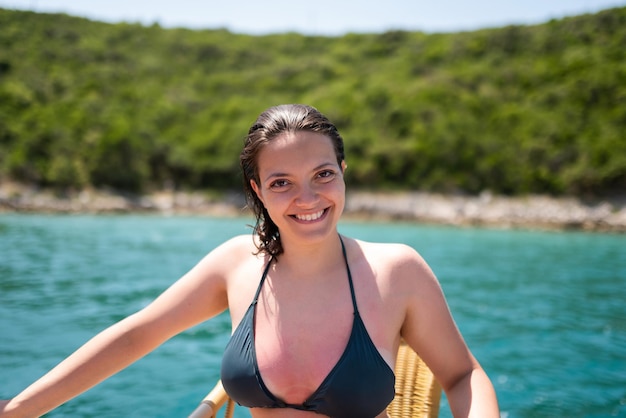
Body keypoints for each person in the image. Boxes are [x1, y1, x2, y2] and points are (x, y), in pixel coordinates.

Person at [0, 104, 499, 418]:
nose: (308, 198)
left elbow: (461, 375)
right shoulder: (238, 264)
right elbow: (139, 333)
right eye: (282, 182)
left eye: (323, 174)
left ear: (344, 173)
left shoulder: (397, 271)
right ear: (258, 190)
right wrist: (20, 409)